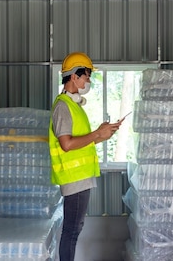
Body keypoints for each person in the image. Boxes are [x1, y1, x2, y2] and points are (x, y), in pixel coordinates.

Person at [49, 52, 122, 261]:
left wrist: (103, 134)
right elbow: (66, 144)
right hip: (75, 179)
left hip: (80, 178)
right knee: (71, 231)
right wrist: (97, 133)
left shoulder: (75, 106)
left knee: (74, 229)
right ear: (74, 76)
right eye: (87, 76)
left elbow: (81, 142)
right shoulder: (63, 106)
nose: (88, 81)